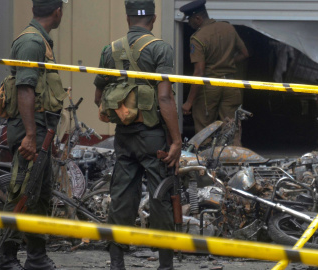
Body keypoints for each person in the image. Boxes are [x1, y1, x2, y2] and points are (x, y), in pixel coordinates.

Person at [93, 0, 181, 269]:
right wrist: (176, 140)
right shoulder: (160, 48)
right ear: (153, 18)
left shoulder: (109, 51)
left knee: (121, 196)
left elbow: (99, 97)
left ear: (128, 17)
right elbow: (164, 98)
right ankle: (165, 264)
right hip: (153, 136)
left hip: (124, 135)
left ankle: (117, 262)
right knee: (160, 196)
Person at [0, 0, 68, 269]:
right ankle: (7, 259)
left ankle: (36, 257)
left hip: (42, 132)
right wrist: (29, 135)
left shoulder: (41, 40)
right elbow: (25, 89)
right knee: (22, 192)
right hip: (32, 131)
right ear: (57, 11)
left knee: (40, 196)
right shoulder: (32, 42)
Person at [180, 0, 249, 145]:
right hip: (230, 84)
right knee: (232, 127)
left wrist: (189, 102)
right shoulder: (228, 28)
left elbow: (199, 72)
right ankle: (235, 163)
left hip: (209, 87)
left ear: (198, 18)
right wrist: (227, 62)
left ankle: (205, 163)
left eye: (189, 19)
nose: (189, 23)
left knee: (204, 129)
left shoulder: (198, 38)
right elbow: (244, 53)